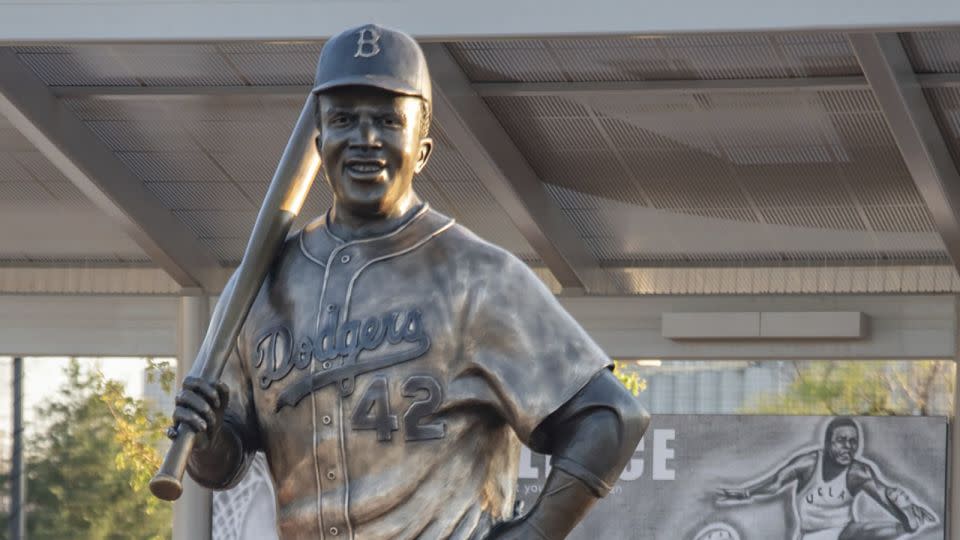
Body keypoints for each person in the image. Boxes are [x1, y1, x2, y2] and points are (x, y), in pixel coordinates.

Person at [171, 23, 649, 540]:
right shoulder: (260, 283)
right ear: (320, 141)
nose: (365, 139)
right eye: (345, 119)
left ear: (421, 149)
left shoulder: (478, 276)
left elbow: (611, 418)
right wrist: (208, 435)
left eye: (387, 120)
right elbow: (221, 467)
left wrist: (534, 534)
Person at [715, 418, 937, 540]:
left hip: (845, 531)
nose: (848, 448)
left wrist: (902, 507)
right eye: (841, 441)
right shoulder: (808, 464)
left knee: (875, 530)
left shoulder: (858, 472)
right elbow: (775, 483)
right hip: (812, 535)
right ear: (828, 443)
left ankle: (908, 525)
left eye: (853, 442)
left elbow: (883, 495)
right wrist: (747, 493)